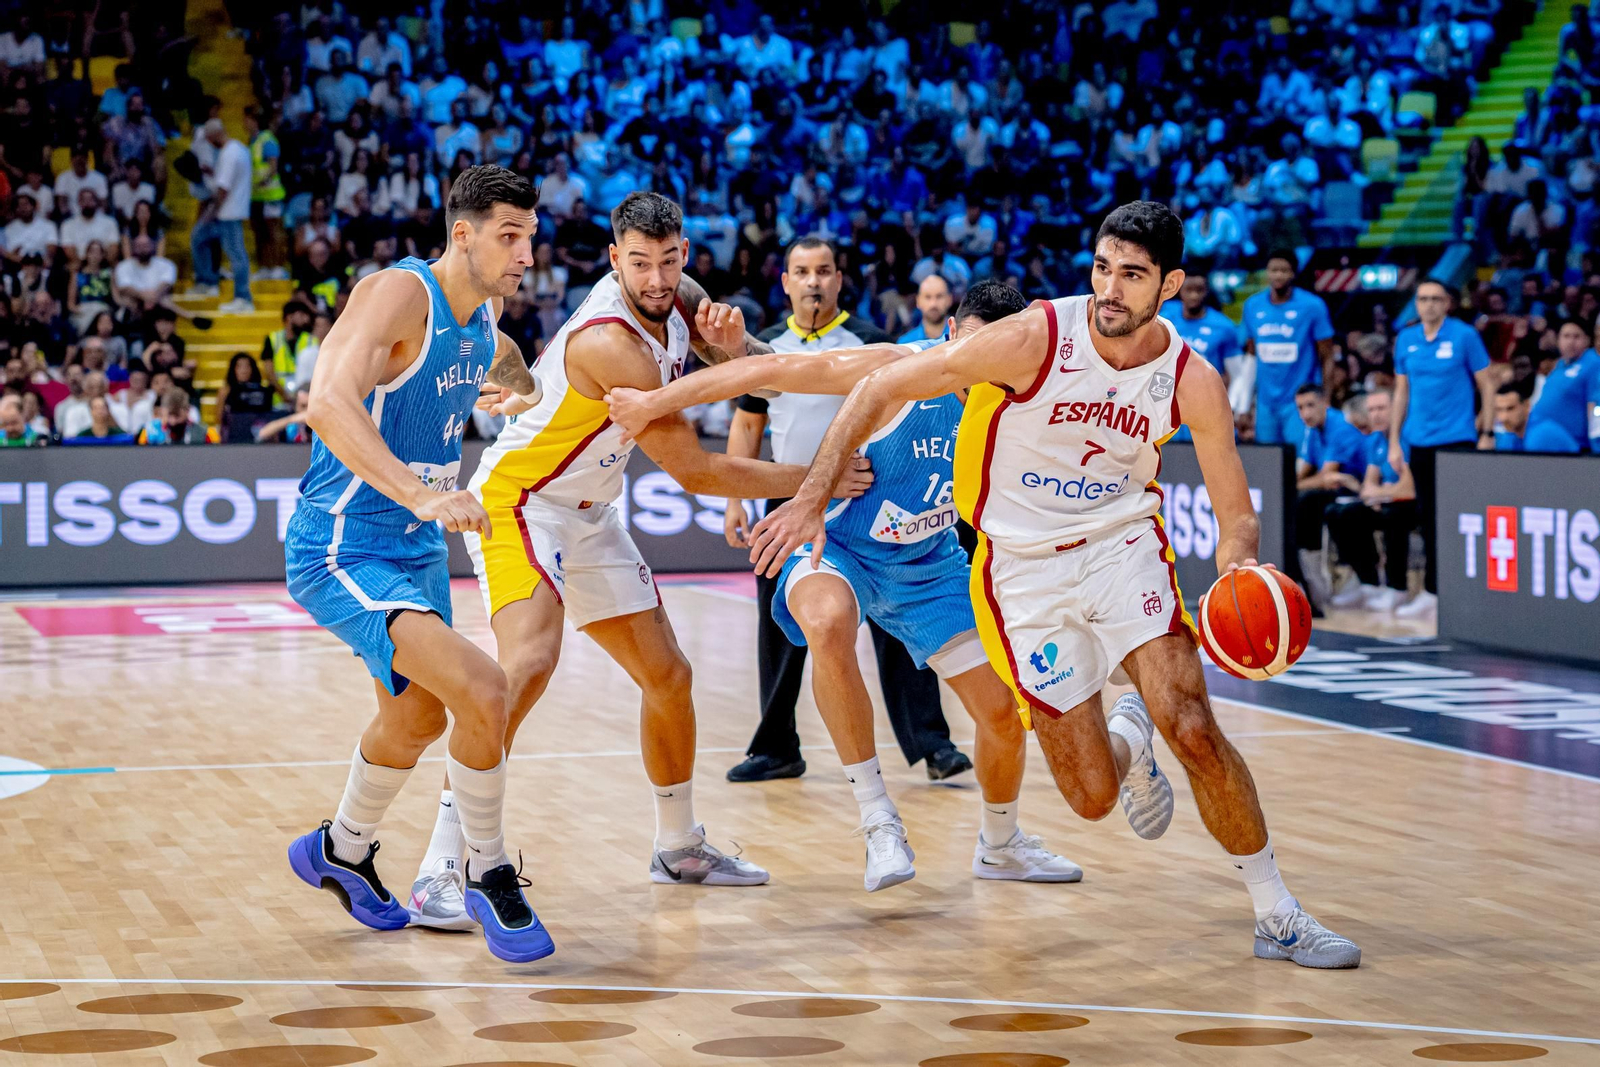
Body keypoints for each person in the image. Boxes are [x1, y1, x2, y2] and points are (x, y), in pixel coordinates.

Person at [753, 201, 1361, 969]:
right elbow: (878, 388)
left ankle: (1277, 910)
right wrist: (810, 492)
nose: (1109, 288)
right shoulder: (1036, 335)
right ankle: (1130, 730)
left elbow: (1236, 513)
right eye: (1102, 267)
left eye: (1132, 275)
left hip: (1122, 546)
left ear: (1170, 284)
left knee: (1197, 726)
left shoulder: (1191, 378)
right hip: (1022, 571)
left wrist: (1240, 567)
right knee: (1092, 796)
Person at [461, 192, 873, 910]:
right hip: (523, 500)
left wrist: (737, 341)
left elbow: (760, 369)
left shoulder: (684, 296)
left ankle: (678, 846)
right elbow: (697, 472)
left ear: (684, 253)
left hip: (588, 508)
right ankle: (448, 857)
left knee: (670, 676)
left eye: (670, 260)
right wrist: (819, 480)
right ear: (614, 259)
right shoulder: (609, 341)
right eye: (641, 264)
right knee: (526, 664)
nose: (657, 279)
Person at [606, 279, 1081, 891]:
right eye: (968, 347)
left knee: (1000, 716)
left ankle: (1001, 843)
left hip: (928, 564)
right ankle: (878, 817)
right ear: (950, 337)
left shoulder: (1023, 401)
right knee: (827, 623)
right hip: (839, 544)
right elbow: (773, 367)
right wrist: (657, 402)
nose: (976, 365)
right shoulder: (899, 367)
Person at [281, 165, 553, 963]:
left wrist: (523, 385)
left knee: (418, 717)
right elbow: (327, 401)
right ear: (461, 234)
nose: (525, 253)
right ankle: (488, 869)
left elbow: (491, 353)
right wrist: (419, 492)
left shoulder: (485, 311)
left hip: (414, 546)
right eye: (510, 236)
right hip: (345, 540)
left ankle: (342, 846)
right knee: (484, 687)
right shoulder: (396, 293)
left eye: (530, 237)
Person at [726, 236, 971, 784]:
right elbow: (747, 426)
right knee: (785, 630)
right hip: (789, 502)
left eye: (824, 271)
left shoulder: (871, 342)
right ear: (785, 281)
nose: (813, 281)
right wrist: (734, 503)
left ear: (839, 280)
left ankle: (933, 744)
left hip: (872, 497)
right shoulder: (764, 346)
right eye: (802, 271)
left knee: (901, 631)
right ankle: (776, 746)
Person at [1388, 279, 1496, 620]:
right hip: (1419, 441)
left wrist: (1488, 431)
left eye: (1436, 299)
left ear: (1448, 303)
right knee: (1426, 517)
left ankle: (1445, 591)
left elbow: (1488, 385)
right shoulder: (1406, 339)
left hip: (1456, 441)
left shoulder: (1464, 336)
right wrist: (1394, 440)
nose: (1429, 305)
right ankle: (1431, 591)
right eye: (1423, 299)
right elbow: (1401, 393)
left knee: (1452, 518)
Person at [1327, 389, 1415, 612]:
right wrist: (1381, 493)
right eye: (1372, 410)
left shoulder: (1406, 437)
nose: (1376, 415)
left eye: (1381, 409)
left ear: (1394, 410)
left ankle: (1398, 588)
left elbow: (1409, 488)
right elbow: (1367, 486)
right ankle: (1368, 582)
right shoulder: (1375, 439)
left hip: (1412, 505)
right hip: (1385, 501)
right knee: (1339, 513)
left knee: (1396, 515)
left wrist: (1384, 492)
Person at [1238, 251, 1336, 445]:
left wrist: (1326, 399)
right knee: (1268, 464)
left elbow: (1328, 357)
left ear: (1294, 273)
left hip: (1300, 402)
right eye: (1274, 270)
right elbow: (1250, 357)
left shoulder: (1312, 306)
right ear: (1267, 273)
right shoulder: (1252, 305)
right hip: (1265, 403)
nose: (1278, 275)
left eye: (1284, 270)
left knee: (1300, 464)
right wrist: (1244, 404)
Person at [1292, 383, 1369, 607]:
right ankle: (1305, 574)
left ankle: (1318, 577)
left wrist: (1298, 484)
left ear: (1325, 403)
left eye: (1310, 406)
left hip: (1357, 490)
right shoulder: (1312, 430)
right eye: (1300, 408)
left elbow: (1327, 477)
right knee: (1292, 500)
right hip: (1334, 490)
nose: (1305, 413)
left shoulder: (1341, 426)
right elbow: (1302, 474)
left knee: (1307, 502)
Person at [1162, 274, 1242, 441]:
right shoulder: (1164, 319)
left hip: (1207, 408)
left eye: (1199, 290)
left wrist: (1233, 406)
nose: (1194, 295)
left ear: (1207, 291)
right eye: (1189, 290)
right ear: (1179, 290)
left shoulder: (1224, 326)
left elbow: (1237, 374)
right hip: (1170, 406)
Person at [192, 119, 255, 313]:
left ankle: (243, 297)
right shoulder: (239, 149)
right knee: (199, 238)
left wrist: (212, 212)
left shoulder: (228, 154)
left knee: (236, 255)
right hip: (233, 210)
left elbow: (223, 189)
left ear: (214, 135)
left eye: (209, 139)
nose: (209, 143)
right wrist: (213, 172)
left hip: (227, 212)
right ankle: (208, 282)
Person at [1526, 317, 1599, 451]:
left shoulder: (1593, 363)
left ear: (1588, 340)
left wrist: (1596, 444)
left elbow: (1595, 404)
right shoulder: (1559, 365)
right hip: (1544, 439)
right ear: (1558, 340)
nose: (1570, 342)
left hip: (1572, 443)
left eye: (1576, 336)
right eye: (1566, 336)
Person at [1495, 380, 1581, 452]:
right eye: (1499, 409)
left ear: (1527, 406)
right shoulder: (1508, 435)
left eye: (1510, 409)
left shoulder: (1540, 434)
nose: (1504, 417)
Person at [138, 387, 219, 444]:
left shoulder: (206, 434)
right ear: (162, 411)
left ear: (187, 411)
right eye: (169, 415)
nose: (173, 421)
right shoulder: (149, 433)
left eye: (177, 416)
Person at [897, 272, 952, 343]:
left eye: (939, 296)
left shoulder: (961, 339)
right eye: (927, 297)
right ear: (918, 301)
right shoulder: (906, 343)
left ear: (949, 300)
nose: (933, 304)